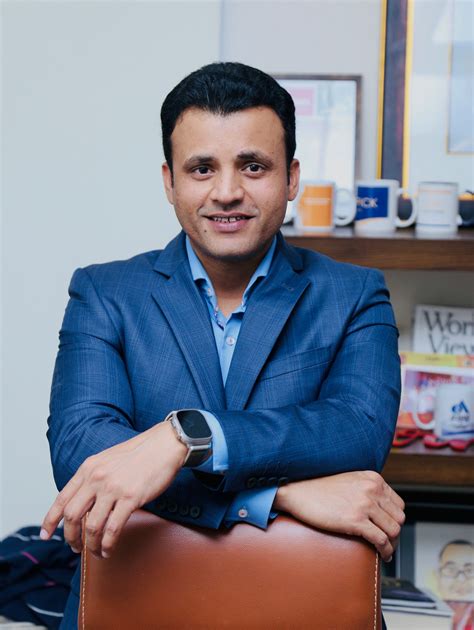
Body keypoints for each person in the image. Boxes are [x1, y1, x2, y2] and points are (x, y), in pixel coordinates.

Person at [40, 62, 405, 627]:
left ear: (291, 178)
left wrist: (188, 438)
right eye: (202, 168)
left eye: (253, 166)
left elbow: (357, 432)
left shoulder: (354, 294)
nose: (228, 192)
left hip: (310, 607)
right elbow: (81, 454)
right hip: (134, 605)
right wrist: (276, 497)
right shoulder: (104, 292)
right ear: (170, 181)